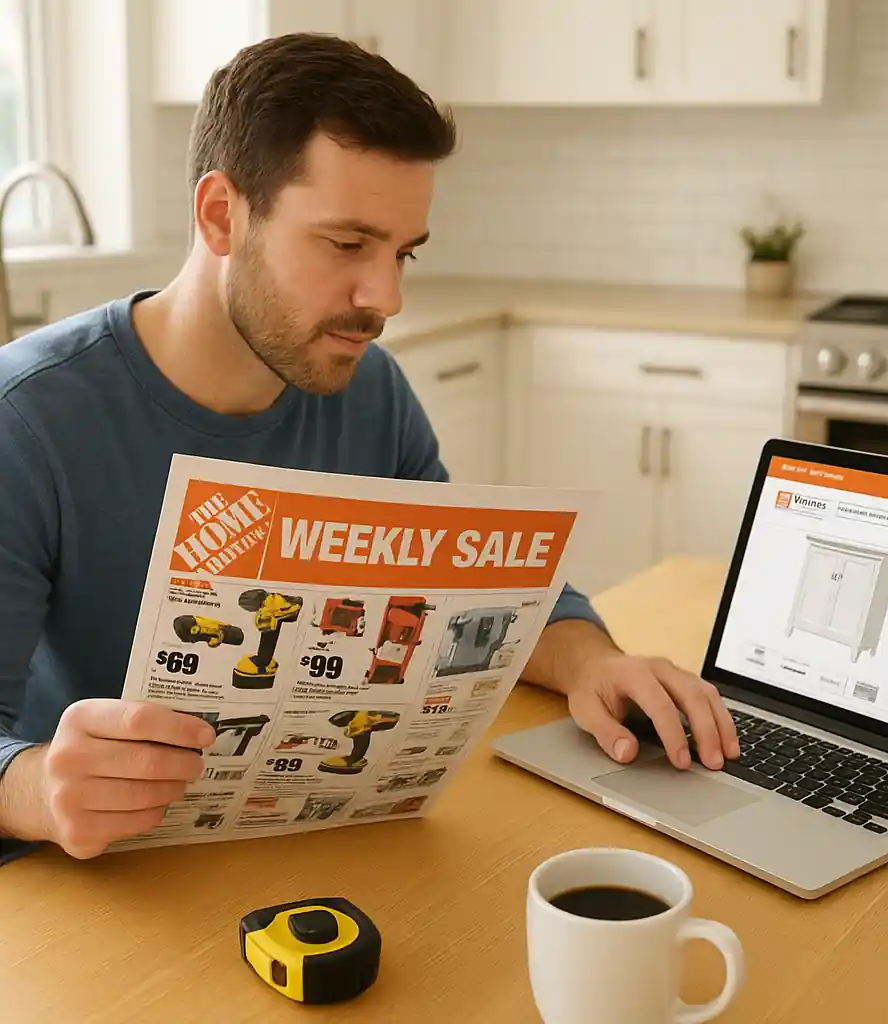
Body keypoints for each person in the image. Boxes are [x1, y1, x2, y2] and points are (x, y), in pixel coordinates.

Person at [0, 33, 739, 865]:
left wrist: (595, 663)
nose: (384, 297)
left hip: (313, 848)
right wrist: (36, 788)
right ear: (221, 216)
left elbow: (474, 595)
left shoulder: (371, 388)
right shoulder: (25, 421)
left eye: (402, 253)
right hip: (97, 898)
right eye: (347, 245)